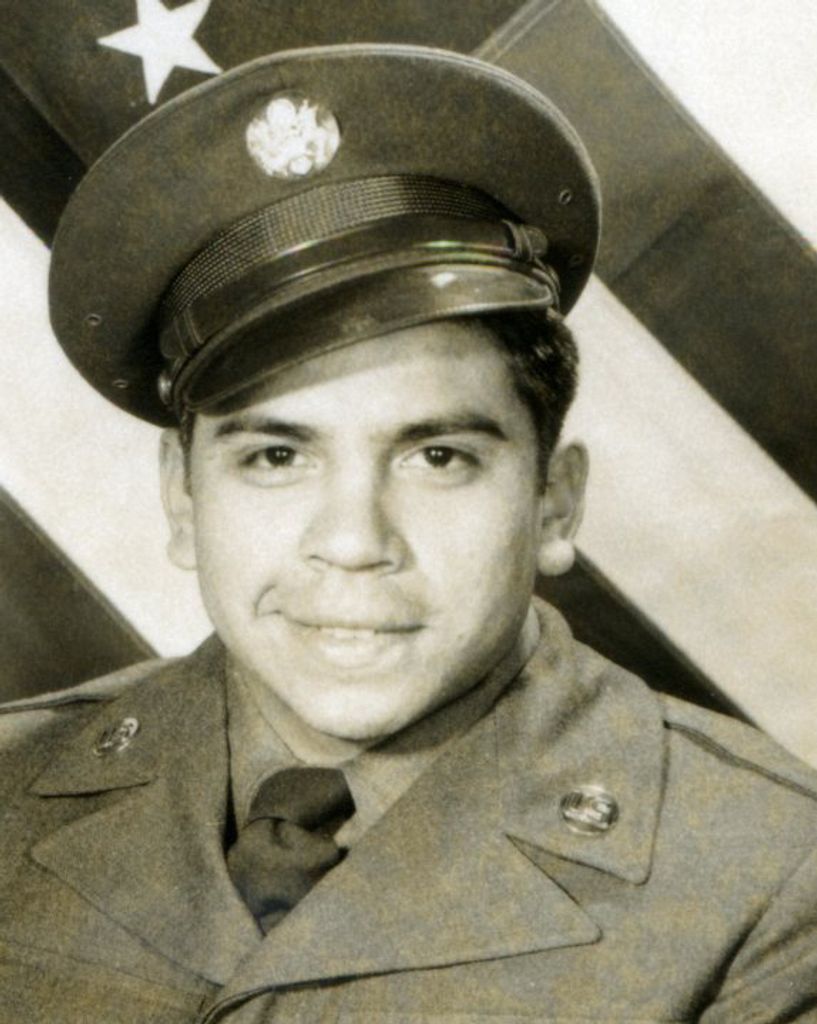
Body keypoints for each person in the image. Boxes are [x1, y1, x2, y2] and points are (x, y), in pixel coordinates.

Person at [1, 43, 817, 1024]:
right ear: (182, 499)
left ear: (553, 504)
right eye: (276, 455)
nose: (353, 541)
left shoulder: (768, 882)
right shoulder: (13, 780)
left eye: (437, 457)